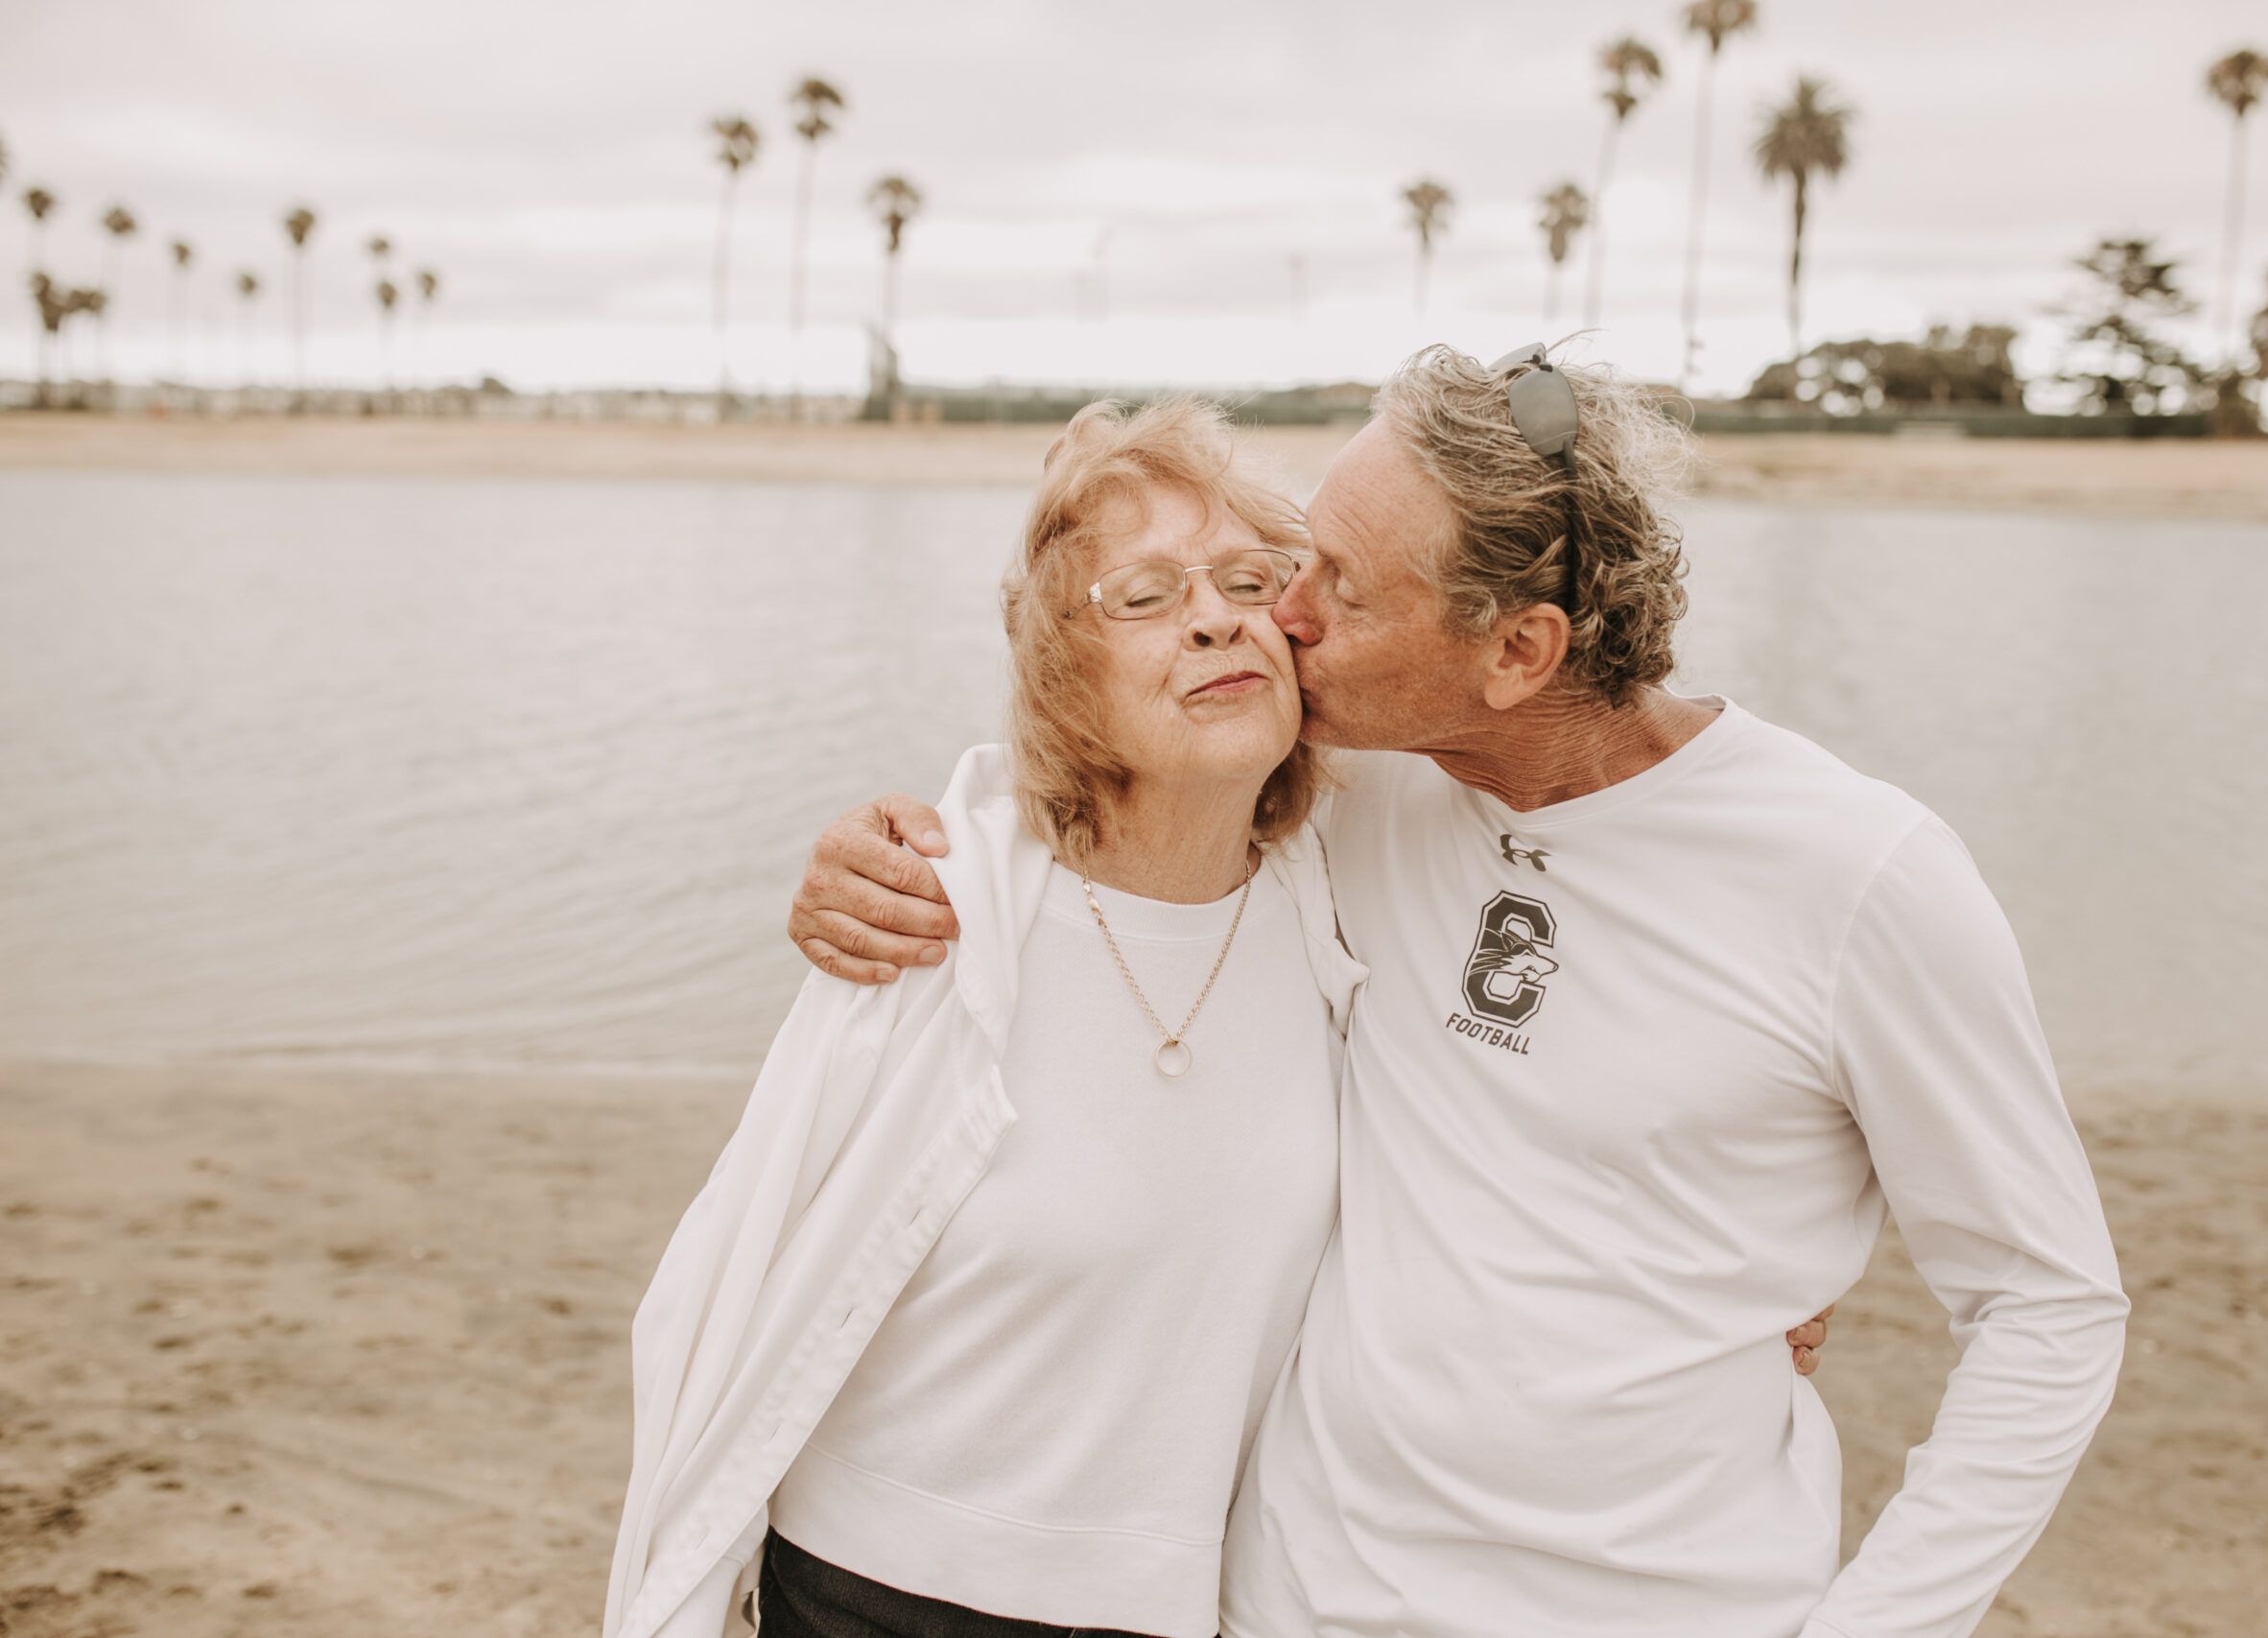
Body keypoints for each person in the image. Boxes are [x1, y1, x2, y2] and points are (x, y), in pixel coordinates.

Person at [788, 344, 2130, 1638]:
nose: (1280, 614)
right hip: (1286, 1604)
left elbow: (2046, 1308)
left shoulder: (1860, 878)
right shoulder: (1345, 791)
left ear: (1519, 654)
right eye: (1298, 554)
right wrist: (889, 862)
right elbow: (1109, 789)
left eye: (1344, 594)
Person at [606, 398, 1371, 1638]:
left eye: (1248, 579)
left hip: (1186, 1604)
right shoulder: (934, 923)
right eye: (1144, 595)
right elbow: (742, 1273)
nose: (1216, 616)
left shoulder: (1356, 917)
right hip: (880, 1595)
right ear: (1059, 674)